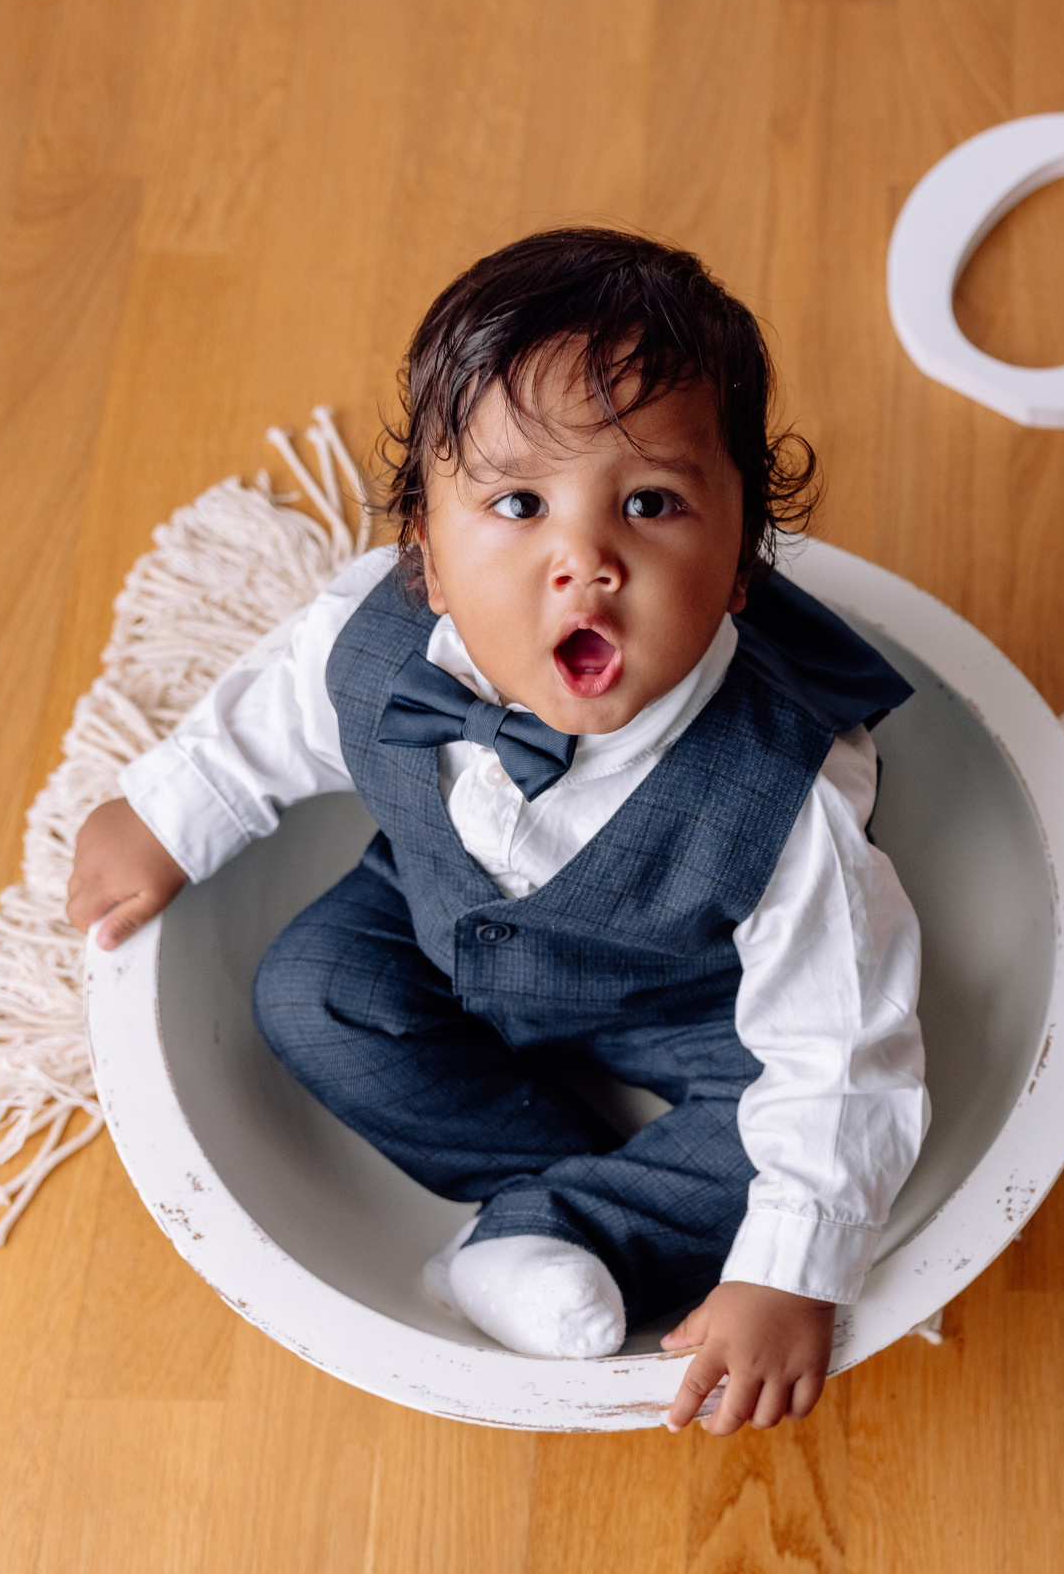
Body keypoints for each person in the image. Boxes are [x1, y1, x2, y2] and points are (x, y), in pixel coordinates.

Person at [65, 228, 928, 1436]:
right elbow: (266, 716)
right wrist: (165, 810)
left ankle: (547, 1232)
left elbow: (840, 1053)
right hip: (438, 920)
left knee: (800, 1160)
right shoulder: (373, 641)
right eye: (517, 503)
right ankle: (552, 1194)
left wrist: (788, 1274)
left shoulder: (786, 797)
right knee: (310, 991)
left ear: (741, 564)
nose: (585, 558)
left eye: (652, 502)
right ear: (422, 545)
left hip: (693, 1011)